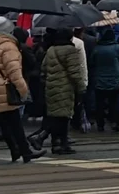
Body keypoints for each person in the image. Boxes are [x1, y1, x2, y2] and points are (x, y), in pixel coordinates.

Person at [0, 17, 42, 163]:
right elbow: (14, 72)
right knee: (10, 121)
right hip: (4, 89)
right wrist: (23, 90)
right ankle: (24, 151)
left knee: (9, 121)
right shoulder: (8, 46)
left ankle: (22, 151)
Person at [41, 27, 84, 156]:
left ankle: (56, 144)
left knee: (56, 116)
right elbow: (75, 73)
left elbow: (44, 67)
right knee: (64, 118)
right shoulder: (71, 51)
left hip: (51, 86)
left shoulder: (51, 50)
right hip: (66, 87)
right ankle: (62, 143)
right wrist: (81, 88)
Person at [90, 29, 119, 132]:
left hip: (99, 79)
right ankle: (115, 122)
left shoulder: (97, 48)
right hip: (114, 79)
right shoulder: (117, 48)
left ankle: (100, 124)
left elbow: (92, 62)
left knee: (100, 104)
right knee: (114, 103)